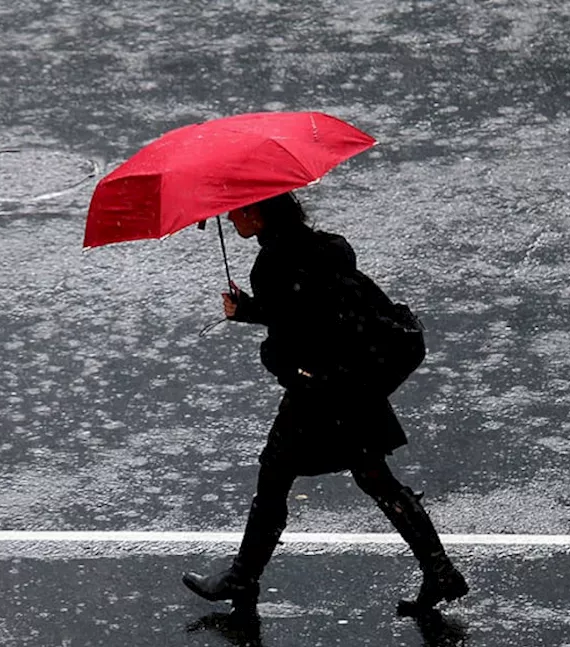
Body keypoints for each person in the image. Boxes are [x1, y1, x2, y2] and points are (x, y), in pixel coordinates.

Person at [182, 191, 468, 614]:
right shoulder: (324, 247)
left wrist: (270, 351)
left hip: (320, 392)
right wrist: (253, 311)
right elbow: (312, 310)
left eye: (237, 207)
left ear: (257, 212)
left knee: (275, 475)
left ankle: (243, 577)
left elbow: (291, 337)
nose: (231, 215)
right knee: (374, 476)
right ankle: (440, 570)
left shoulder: (272, 264)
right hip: (356, 380)